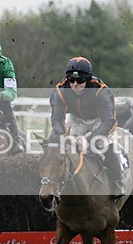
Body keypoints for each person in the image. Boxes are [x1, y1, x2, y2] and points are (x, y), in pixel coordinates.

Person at [49, 56, 124, 198]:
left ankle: (118, 182)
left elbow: (109, 121)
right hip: (76, 119)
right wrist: (63, 135)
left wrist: (89, 139)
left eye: (80, 81)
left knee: (103, 144)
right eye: (71, 80)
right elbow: (57, 119)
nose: (75, 84)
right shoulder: (60, 90)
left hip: (99, 120)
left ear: (88, 79)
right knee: (57, 142)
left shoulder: (101, 90)